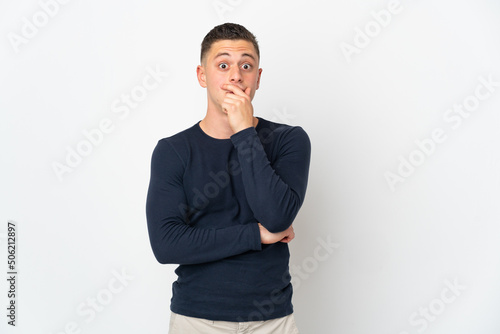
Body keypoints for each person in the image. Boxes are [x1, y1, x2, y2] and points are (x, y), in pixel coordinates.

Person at [146, 23, 311, 334]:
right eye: (223, 65)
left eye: (246, 66)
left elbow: (276, 217)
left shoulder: (289, 140)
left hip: (272, 320)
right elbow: (167, 245)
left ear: (257, 78)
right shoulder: (173, 151)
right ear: (202, 75)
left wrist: (245, 133)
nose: (236, 75)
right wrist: (256, 236)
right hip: (196, 319)